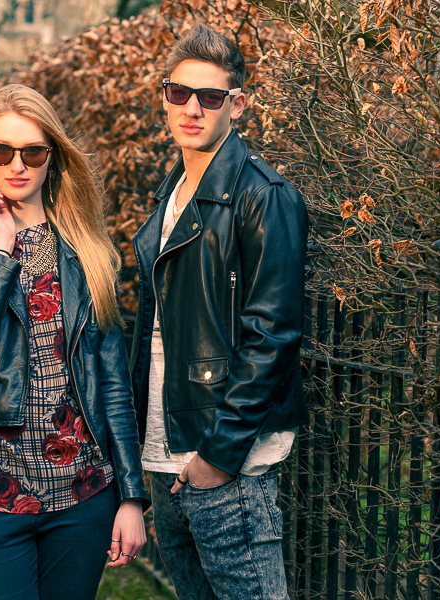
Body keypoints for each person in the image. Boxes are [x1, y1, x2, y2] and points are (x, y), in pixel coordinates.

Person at [0, 83, 148, 600]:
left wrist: (130, 497)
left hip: (83, 493)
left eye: (33, 151)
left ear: (52, 159)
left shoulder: (88, 251)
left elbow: (113, 384)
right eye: (1, 151)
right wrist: (0, 247)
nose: (17, 165)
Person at [129, 23, 308, 600]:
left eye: (209, 97)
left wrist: (219, 454)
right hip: (164, 446)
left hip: (221, 454)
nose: (191, 108)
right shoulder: (170, 192)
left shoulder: (264, 195)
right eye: (178, 93)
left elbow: (274, 335)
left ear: (237, 105)